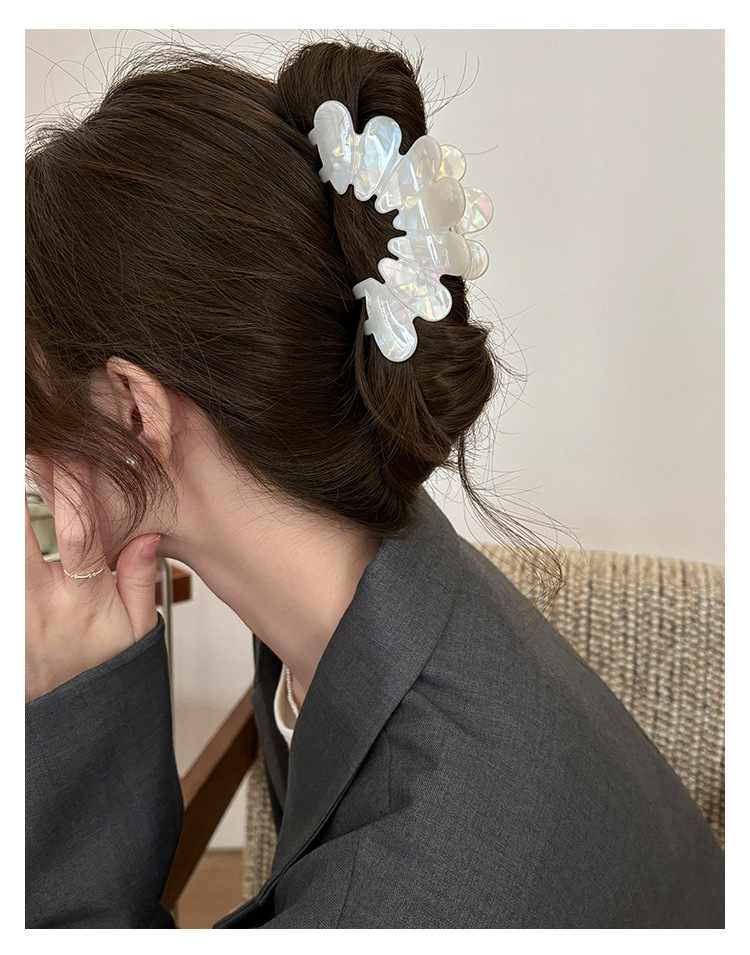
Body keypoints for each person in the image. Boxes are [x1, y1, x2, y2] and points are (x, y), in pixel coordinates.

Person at [25, 39, 724, 929]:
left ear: (136, 410)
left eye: (33, 396)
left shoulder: (403, 888)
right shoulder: (376, 585)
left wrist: (72, 729)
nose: (30, 452)